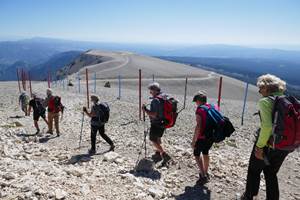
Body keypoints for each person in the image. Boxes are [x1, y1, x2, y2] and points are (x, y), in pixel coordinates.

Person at [241, 74, 290, 200]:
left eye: (261, 88)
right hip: (285, 145)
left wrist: (259, 147)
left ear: (267, 88)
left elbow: (267, 127)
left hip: (268, 144)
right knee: (271, 173)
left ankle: (249, 196)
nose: (259, 91)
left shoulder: (265, 101)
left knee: (254, 170)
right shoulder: (288, 100)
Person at [142, 82, 171, 164]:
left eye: (151, 90)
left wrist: (145, 110)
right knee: (158, 137)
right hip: (164, 121)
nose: (150, 92)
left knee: (152, 139)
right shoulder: (164, 96)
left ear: (155, 90)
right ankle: (158, 152)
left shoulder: (155, 100)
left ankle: (164, 154)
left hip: (156, 123)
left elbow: (154, 115)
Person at [192, 91, 214, 185]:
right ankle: (206, 171)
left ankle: (203, 175)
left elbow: (198, 126)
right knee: (205, 152)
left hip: (202, 136)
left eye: (196, 101)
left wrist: (194, 141)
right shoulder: (212, 107)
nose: (196, 103)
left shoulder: (200, 109)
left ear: (198, 101)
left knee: (196, 154)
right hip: (211, 136)